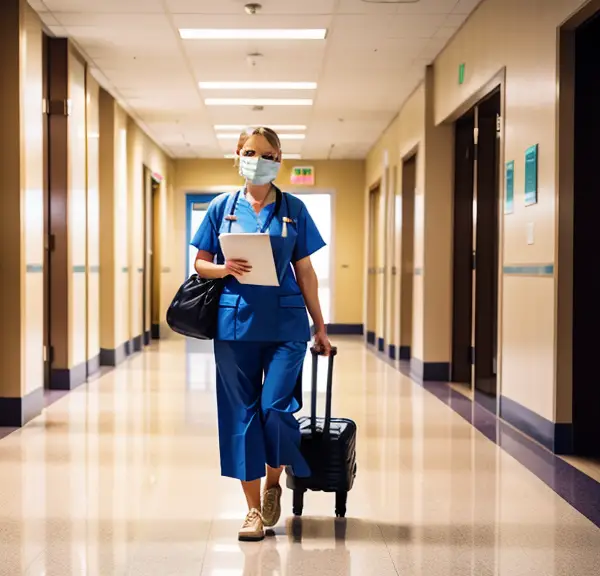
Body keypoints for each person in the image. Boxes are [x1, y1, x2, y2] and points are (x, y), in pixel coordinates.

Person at [190, 126, 331, 542]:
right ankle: (252, 510)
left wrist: (320, 326)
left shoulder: (293, 209)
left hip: (287, 323)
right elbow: (200, 264)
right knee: (242, 415)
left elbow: (305, 271)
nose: (259, 158)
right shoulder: (221, 207)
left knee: (275, 409)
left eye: (268, 153)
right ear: (237, 154)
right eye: (251, 151)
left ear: (279, 159)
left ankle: (274, 480)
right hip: (235, 325)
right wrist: (225, 268)